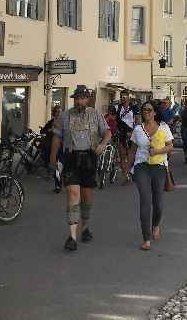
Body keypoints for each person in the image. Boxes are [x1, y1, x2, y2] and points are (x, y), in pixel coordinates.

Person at [49, 85, 111, 252]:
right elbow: (56, 137)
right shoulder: (64, 116)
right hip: (71, 158)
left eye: (82, 98)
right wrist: (52, 159)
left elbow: (107, 132)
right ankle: (72, 237)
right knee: (73, 194)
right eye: (77, 98)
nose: (79, 101)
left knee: (87, 198)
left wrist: (103, 144)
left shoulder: (95, 114)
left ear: (87, 99)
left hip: (90, 158)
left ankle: (85, 227)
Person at [131, 101, 174, 251]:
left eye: (149, 110)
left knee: (158, 203)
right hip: (141, 166)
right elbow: (133, 149)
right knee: (145, 201)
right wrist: (127, 169)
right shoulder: (137, 129)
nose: (146, 112)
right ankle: (146, 238)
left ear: (155, 112)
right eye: (144, 110)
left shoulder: (163, 127)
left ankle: (155, 225)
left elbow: (170, 146)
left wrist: (157, 151)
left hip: (159, 167)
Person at [40, 104, 63, 191]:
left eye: (60, 112)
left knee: (58, 166)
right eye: (57, 112)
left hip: (61, 148)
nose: (58, 114)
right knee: (53, 166)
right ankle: (57, 183)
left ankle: (59, 184)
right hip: (50, 148)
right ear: (54, 113)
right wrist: (48, 130)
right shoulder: (51, 122)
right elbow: (42, 131)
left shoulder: (64, 124)